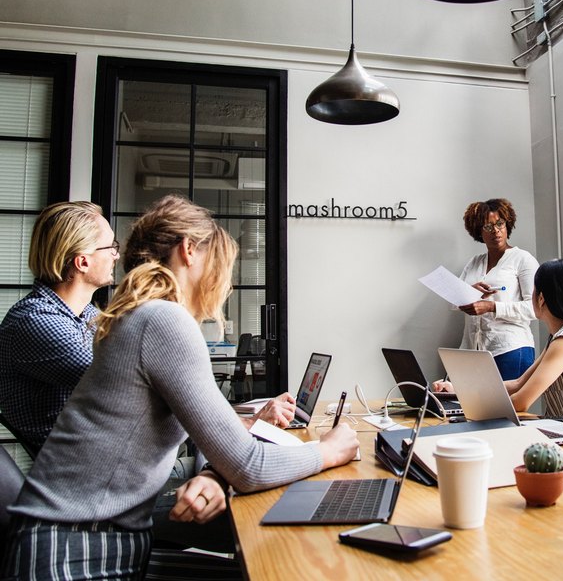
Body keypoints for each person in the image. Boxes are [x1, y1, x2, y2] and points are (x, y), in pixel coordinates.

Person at [2, 195, 359, 579]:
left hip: (87, 544)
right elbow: (249, 466)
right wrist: (329, 450)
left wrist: (212, 474)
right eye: (221, 265)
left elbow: (226, 452)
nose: (225, 281)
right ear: (189, 250)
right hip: (74, 555)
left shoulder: (138, 314)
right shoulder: (162, 321)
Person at [436, 259, 563, 433]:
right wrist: (457, 389)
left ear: (541, 298)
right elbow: (518, 384)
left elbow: (521, 402)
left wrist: (466, 409)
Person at [0, 201, 119, 452]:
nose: (116, 254)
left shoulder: (86, 315)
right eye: (110, 246)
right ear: (82, 262)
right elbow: (120, 382)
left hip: (111, 460)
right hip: (83, 477)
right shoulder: (35, 321)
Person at [457, 198, 539, 380]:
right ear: (478, 231)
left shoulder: (523, 259)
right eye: (487, 227)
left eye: (499, 224)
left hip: (510, 349)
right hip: (474, 351)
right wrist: (470, 291)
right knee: (474, 408)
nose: (495, 231)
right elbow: (454, 302)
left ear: (507, 224)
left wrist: (492, 307)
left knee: (507, 409)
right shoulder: (474, 263)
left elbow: (535, 308)